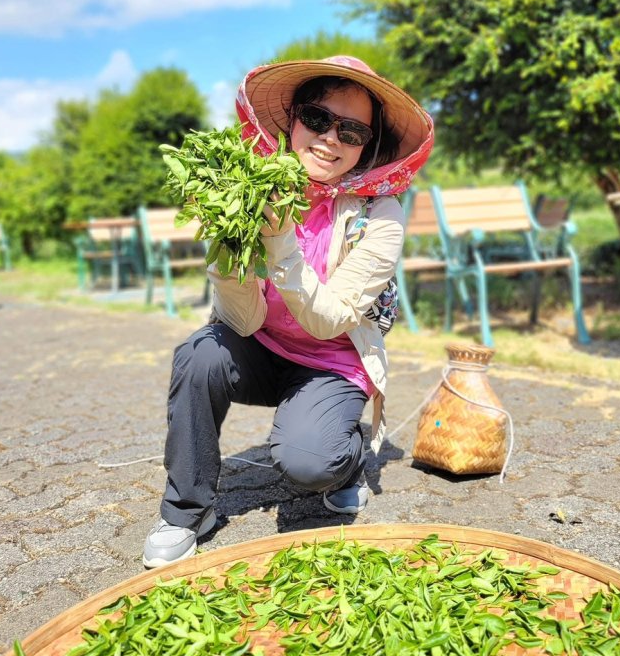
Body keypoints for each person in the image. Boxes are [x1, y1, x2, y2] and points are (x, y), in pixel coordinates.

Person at [143, 55, 434, 568]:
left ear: (368, 145)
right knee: (199, 354)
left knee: (308, 462)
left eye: (352, 131)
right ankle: (187, 511)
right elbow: (244, 321)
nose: (330, 139)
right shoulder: (252, 189)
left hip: (331, 362)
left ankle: (346, 463)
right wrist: (228, 249)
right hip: (261, 346)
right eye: (319, 119)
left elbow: (328, 321)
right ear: (294, 120)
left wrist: (278, 240)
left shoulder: (379, 216)